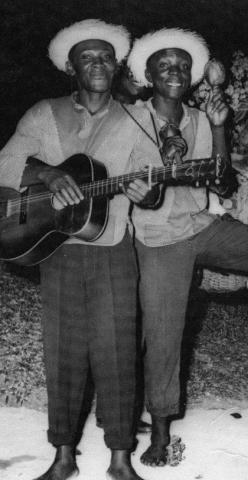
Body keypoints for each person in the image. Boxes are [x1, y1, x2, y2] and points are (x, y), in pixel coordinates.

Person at [124, 28, 248, 466]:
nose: (176, 72)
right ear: (148, 74)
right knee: (164, 335)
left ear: (192, 76)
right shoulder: (128, 118)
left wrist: (219, 126)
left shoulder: (196, 118)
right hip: (157, 239)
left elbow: (220, 177)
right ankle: (161, 432)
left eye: (183, 66)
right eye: (165, 66)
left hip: (201, 225)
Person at [0, 19, 160, 480]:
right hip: (58, 250)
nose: (98, 64)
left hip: (111, 248)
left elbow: (150, 187)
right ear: (71, 67)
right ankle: (63, 456)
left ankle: (120, 459)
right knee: (63, 352)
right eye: (87, 57)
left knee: (117, 351)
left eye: (106, 56)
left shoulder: (138, 117)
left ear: (117, 66)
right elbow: (6, 162)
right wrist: (48, 175)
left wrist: (145, 193)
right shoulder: (43, 112)